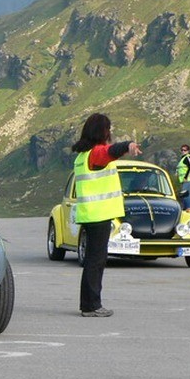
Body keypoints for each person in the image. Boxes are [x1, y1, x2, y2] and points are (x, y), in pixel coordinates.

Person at [71, 113, 142, 318]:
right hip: (99, 214)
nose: (109, 132)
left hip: (91, 214)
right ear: (102, 131)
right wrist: (128, 145)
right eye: (107, 128)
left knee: (93, 260)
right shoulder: (96, 153)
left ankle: (89, 304)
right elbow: (110, 151)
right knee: (96, 261)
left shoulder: (82, 156)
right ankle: (92, 305)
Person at [177, 143, 190, 211]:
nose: (183, 151)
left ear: (188, 151)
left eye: (185, 150)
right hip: (184, 180)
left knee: (186, 193)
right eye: (182, 150)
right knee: (185, 193)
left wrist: (186, 177)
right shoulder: (183, 158)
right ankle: (186, 208)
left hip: (188, 179)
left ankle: (189, 208)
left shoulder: (187, 157)